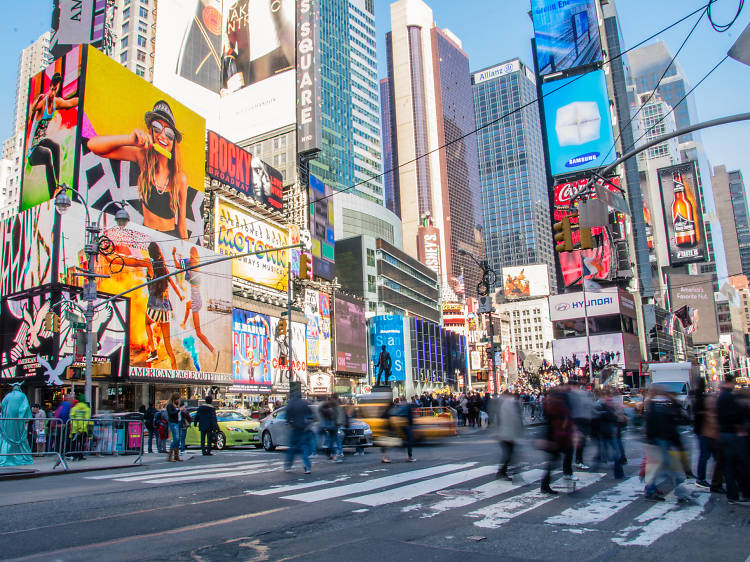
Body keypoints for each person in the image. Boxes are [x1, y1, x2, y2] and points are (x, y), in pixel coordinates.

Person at [87, 100, 189, 239]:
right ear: (151, 131)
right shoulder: (142, 157)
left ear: (174, 142)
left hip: (170, 239)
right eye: (157, 127)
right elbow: (93, 145)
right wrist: (129, 139)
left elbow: (182, 225)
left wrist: (189, 255)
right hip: (146, 234)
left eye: (169, 133)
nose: (163, 136)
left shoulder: (179, 177)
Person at [108, 242, 183, 368]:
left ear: (150, 252)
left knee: (147, 323)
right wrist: (180, 295)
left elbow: (132, 262)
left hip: (154, 304)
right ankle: (175, 369)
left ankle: (153, 351)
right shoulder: (163, 265)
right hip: (166, 307)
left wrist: (112, 258)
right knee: (167, 342)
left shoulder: (149, 263)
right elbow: (171, 280)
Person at [25, 72, 79, 198]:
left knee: (55, 146)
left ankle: (58, 183)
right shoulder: (42, 104)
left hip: (41, 142)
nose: (53, 92)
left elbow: (70, 103)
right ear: (49, 89)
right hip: (32, 151)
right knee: (47, 153)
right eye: (52, 88)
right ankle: (52, 191)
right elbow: (33, 109)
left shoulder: (57, 102)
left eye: (56, 89)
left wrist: (85, 95)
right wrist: (39, 100)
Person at [173, 246, 218, 370]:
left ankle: (213, 350)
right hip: (195, 296)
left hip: (196, 297)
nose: (192, 255)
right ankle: (183, 323)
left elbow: (178, 266)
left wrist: (175, 256)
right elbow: (178, 266)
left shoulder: (193, 263)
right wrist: (174, 256)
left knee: (198, 333)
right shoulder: (191, 262)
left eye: (193, 254)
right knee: (187, 308)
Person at [643, 386, 690, 502]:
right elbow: (674, 422)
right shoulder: (663, 406)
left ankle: (650, 490)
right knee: (671, 468)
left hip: (659, 441)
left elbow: (650, 426)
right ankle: (681, 493)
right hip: (663, 441)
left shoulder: (653, 406)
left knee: (661, 468)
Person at [716, 375, 750, 505]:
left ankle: (733, 494)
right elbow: (734, 415)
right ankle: (743, 492)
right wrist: (739, 427)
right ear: (730, 382)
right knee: (741, 464)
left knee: (729, 466)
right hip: (732, 435)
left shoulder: (722, 396)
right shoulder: (728, 397)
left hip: (724, 434)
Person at [540, 385, 575, 494]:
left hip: (554, 434)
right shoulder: (558, 403)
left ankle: (546, 484)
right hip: (559, 435)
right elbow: (563, 418)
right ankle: (548, 484)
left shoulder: (549, 403)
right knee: (559, 458)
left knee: (556, 459)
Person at [693, 379, 724, 491]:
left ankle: (716, 478)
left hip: (705, 432)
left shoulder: (701, 399)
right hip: (704, 432)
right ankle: (701, 479)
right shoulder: (702, 401)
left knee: (711, 455)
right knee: (706, 455)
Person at [490, 390, 523, 480]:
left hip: (504, 433)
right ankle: (503, 472)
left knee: (509, 453)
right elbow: (512, 418)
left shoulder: (501, 403)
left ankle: (502, 472)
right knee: (509, 453)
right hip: (506, 433)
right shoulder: (508, 403)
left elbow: (497, 419)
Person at [285, 392, 313, 474]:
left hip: (295, 427)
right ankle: (307, 467)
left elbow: (287, 415)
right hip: (303, 427)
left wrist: (289, 423)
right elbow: (310, 415)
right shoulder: (304, 403)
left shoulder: (291, 403)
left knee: (292, 447)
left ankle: (288, 466)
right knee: (304, 446)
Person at [69, 395, 91, 461]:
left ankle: (74, 455)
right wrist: (81, 428)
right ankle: (80, 455)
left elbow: (71, 418)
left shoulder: (74, 408)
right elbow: (86, 420)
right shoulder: (87, 409)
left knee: (74, 443)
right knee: (81, 443)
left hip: (74, 429)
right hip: (83, 429)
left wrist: (75, 427)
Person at [166, 393, 182, 462]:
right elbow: (171, 414)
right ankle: (170, 455)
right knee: (176, 438)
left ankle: (176, 455)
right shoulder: (170, 406)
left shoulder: (176, 406)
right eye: (177, 399)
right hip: (173, 423)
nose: (178, 400)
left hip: (177, 422)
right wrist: (178, 410)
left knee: (178, 440)